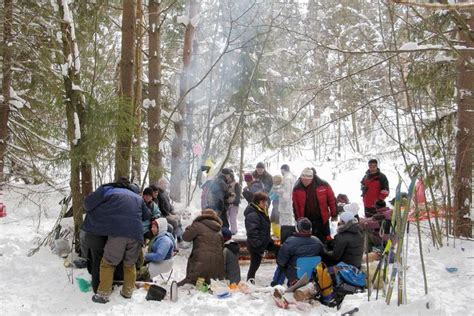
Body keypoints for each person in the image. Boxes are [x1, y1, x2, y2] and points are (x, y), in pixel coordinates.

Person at [81, 179, 150, 303]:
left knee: (108, 262)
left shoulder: (108, 191)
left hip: (118, 234)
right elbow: (147, 215)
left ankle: (103, 294)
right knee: (130, 264)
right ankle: (127, 292)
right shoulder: (137, 198)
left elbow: (87, 204)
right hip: (136, 234)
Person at [177, 209, 225, 286]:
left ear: (203, 215)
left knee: (191, 282)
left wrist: (189, 228)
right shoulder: (218, 230)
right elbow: (222, 246)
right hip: (216, 265)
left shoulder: (198, 225)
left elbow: (185, 237)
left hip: (199, 263)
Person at [292, 167, 337, 244]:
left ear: (311, 178)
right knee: (308, 241)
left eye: (307, 180)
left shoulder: (323, 185)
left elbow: (332, 200)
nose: (304, 182)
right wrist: (298, 219)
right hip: (306, 219)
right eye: (302, 179)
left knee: (324, 239)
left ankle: (324, 253)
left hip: (322, 218)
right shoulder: (297, 188)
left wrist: (334, 214)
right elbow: (295, 205)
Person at [276, 218, 325, 285]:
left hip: (295, 278)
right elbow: (324, 257)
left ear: (298, 229)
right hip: (314, 276)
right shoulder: (317, 241)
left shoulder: (289, 242)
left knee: (281, 265)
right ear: (310, 229)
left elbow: (281, 262)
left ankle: (276, 284)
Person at [244, 191, 279, 282]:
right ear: (257, 202)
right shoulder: (253, 214)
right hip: (256, 244)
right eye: (263, 202)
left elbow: (264, 229)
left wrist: (269, 240)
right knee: (254, 266)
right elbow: (252, 233)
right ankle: (250, 283)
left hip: (264, 242)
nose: (265, 204)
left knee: (279, 250)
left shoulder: (261, 211)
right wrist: (259, 246)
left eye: (266, 202)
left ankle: (280, 276)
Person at [279, 164, 296, 242]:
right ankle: (288, 239)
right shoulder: (292, 177)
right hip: (289, 204)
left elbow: (287, 194)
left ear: (283, 170)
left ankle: (285, 240)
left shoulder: (287, 178)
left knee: (285, 224)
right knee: (288, 222)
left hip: (285, 205)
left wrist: (280, 191)